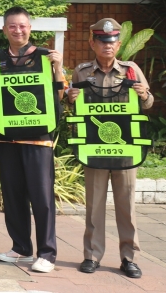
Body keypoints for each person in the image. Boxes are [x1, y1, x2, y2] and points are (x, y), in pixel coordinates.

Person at [67, 18, 154, 279]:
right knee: (94, 206)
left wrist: (143, 95)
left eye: (113, 40)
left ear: (118, 44)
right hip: (94, 149)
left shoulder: (131, 70)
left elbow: (148, 104)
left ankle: (129, 258)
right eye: (103, 41)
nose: (109, 45)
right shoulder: (82, 72)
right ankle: (92, 256)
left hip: (125, 150)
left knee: (126, 207)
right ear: (93, 43)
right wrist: (70, 99)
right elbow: (76, 110)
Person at [0, 7, 64, 274]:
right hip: (7, 138)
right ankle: (21, 248)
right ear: (5, 30)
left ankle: (47, 253)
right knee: (13, 196)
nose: (18, 30)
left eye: (23, 26)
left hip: (38, 138)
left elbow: (59, 97)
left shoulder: (45, 57)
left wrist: (59, 67)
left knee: (42, 197)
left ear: (30, 28)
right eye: (13, 26)